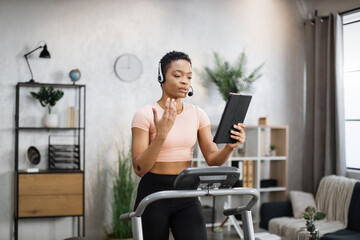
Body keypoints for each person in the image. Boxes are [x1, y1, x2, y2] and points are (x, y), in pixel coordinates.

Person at [131, 51, 246, 240]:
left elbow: (213, 159)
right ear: (161, 77)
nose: (185, 81)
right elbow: (139, 168)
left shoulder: (198, 114)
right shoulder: (145, 114)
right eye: (177, 75)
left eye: (189, 77)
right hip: (153, 193)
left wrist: (230, 147)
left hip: (186, 193)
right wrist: (161, 134)